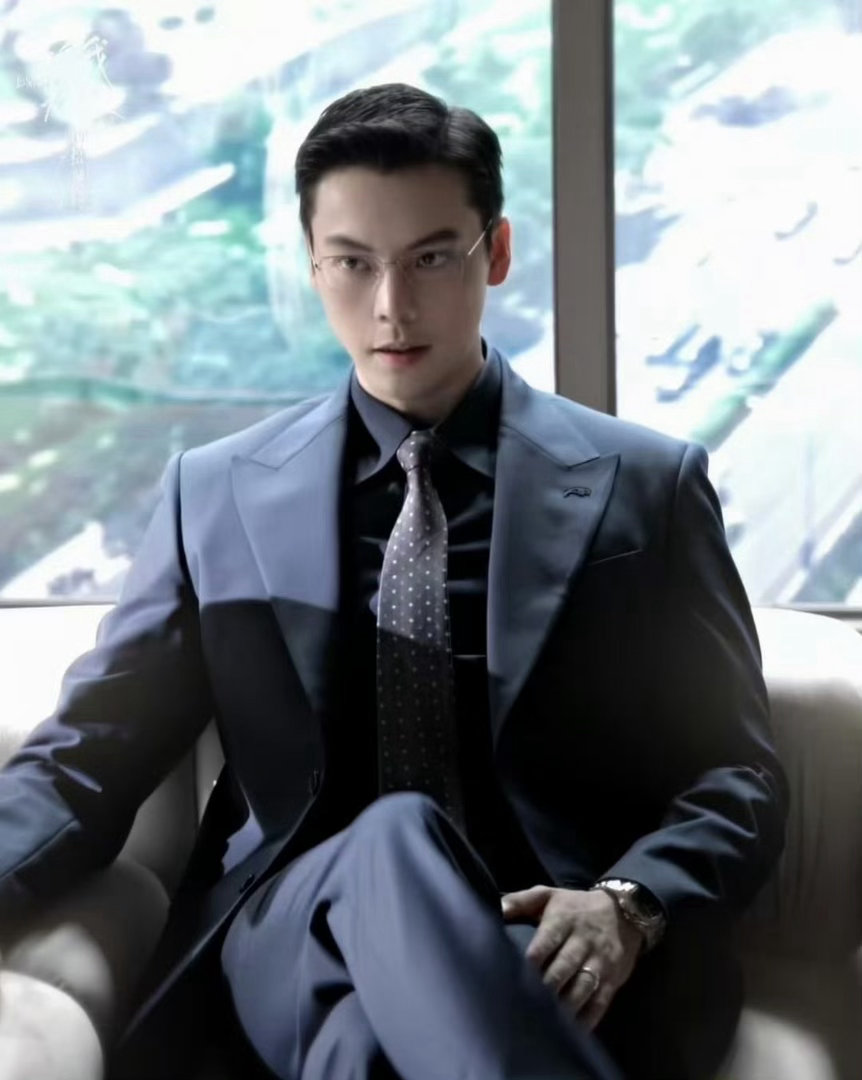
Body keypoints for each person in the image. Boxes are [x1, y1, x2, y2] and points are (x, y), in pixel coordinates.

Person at [0, 83, 787, 1080]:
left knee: (364, 1045)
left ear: (495, 253)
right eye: (352, 263)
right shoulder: (216, 493)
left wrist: (629, 904)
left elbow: (737, 773)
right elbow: (87, 759)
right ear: (311, 265)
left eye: (429, 258)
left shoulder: (647, 487)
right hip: (290, 928)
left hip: (550, 939)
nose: (390, 307)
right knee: (393, 833)